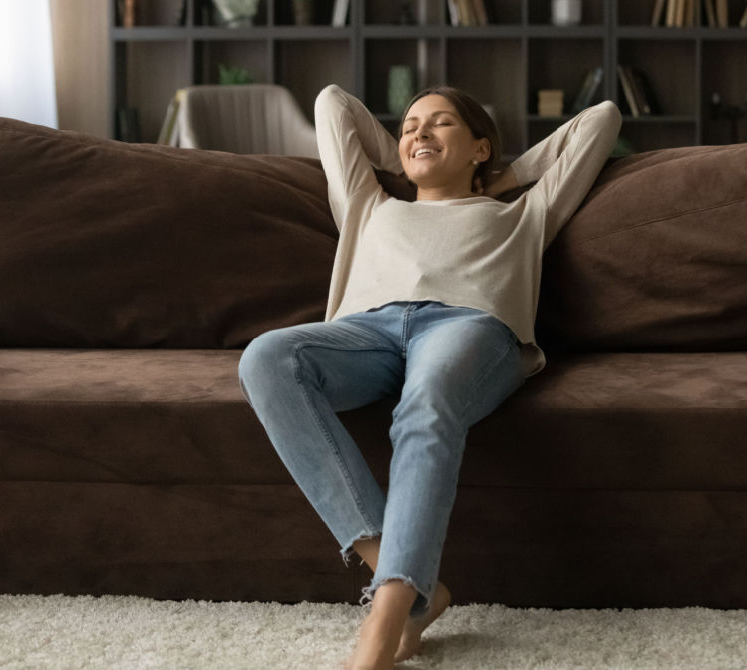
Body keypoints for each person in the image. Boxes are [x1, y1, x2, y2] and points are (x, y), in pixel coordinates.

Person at [238, 83, 621, 669]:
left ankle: (387, 612)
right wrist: (413, 152)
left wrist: (503, 175)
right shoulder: (368, 205)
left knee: (429, 397)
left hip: (468, 325)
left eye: (441, 124)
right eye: (410, 124)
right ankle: (414, 585)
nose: (418, 131)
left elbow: (601, 118)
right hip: (367, 332)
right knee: (266, 358)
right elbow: (332, 103)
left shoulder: (525, 212)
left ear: (479, 148)